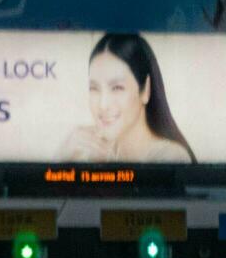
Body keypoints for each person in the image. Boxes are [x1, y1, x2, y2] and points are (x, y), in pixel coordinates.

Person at [58, 33, 195, 164]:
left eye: (117, 88)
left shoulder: (171, 157)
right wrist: (63, 158)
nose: (103, 105)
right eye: (94, 88)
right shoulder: (90, 150)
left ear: (145, 90)